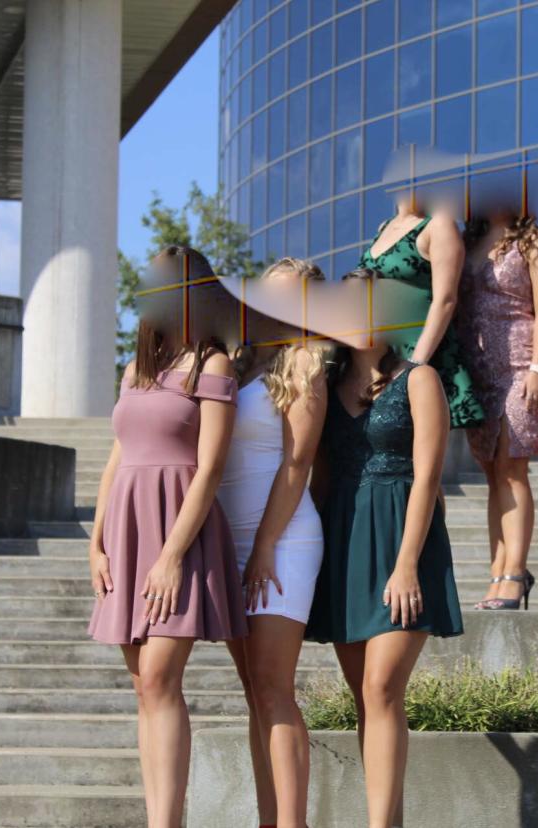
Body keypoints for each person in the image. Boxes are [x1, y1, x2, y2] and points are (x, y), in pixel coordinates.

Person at [86, 245, 247, 825]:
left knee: (160, 677)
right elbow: (116, 458)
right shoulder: (137, 370)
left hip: (179, 532)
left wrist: (173, 554)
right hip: (126, 533)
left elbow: (210, 469)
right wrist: (96, 542)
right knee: (143, 689)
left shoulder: (215, 365)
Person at [306, 268, 463, 828]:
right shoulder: (325, 382)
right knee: (365, 700)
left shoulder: (419, 379)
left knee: (382, 688)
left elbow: (428, 478)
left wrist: (406, 565)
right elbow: (318, 475)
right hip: (344, 539)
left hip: (402, 539)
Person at [218, 257, 330, 828]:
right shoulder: (238, 365)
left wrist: (263, 546)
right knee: (253, 694)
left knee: (272, 688)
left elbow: (297, 463)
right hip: (229, 544)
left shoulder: (305, 363)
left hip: (282, 542)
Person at [458, 213, 538, 610]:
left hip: (520, 365)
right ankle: (498, 571)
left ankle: (515, 573)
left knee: (512, 468)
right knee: (492, 473)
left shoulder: (536, 242)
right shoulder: (468, 242)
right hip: (478, 371)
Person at [359, 196, 485, 429]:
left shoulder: (439, 223)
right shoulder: (383, 227)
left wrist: (415, 363)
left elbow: (446, 299)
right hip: (382, 351)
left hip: (418, 351)